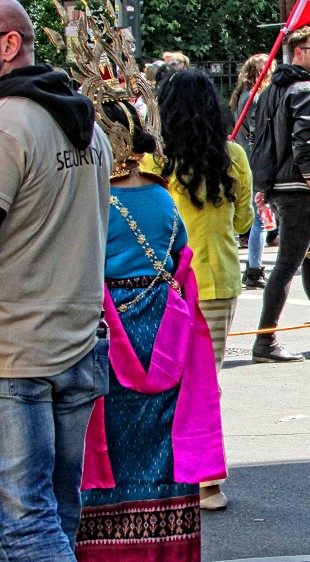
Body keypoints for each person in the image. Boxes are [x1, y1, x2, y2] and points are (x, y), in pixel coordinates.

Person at [77, 96, 226, 562]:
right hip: (165, 334)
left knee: (109, 449)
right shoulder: (164, 198)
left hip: (109, 329)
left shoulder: (97, 200)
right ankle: (165, 546)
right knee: (165, 443)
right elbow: (183, 264)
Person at [0, 1, 112, 556]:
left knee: (25, 526)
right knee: (57, 516)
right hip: (76, 344)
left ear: (8, 45)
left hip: (17, 352)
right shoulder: (88, 125)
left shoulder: (7, 124)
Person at [142, 68, 253, 512]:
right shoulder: (234, 157)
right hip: (220, 282)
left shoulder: (153, 161)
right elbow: (245, 222)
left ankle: (170, 473)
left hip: (165, 284)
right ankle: (207, 482)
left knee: (167, 384)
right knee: (207, 385)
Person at [251, 26, 310, 363]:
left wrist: (264, 185)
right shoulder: (306, 89)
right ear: (297, 52)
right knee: (288, 265)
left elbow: (261, 143)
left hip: (285, 186)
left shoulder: (275, 89)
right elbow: (306, 144)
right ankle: (265, 340)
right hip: (300, 188)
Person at [231, 53, 276, 290]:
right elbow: (259, 131)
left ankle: (254, 266)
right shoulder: (253, 97)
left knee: (259, 215)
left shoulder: (242, 95)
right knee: (260, 216)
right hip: (256, 161)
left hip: (248, 160)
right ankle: (255, 269)